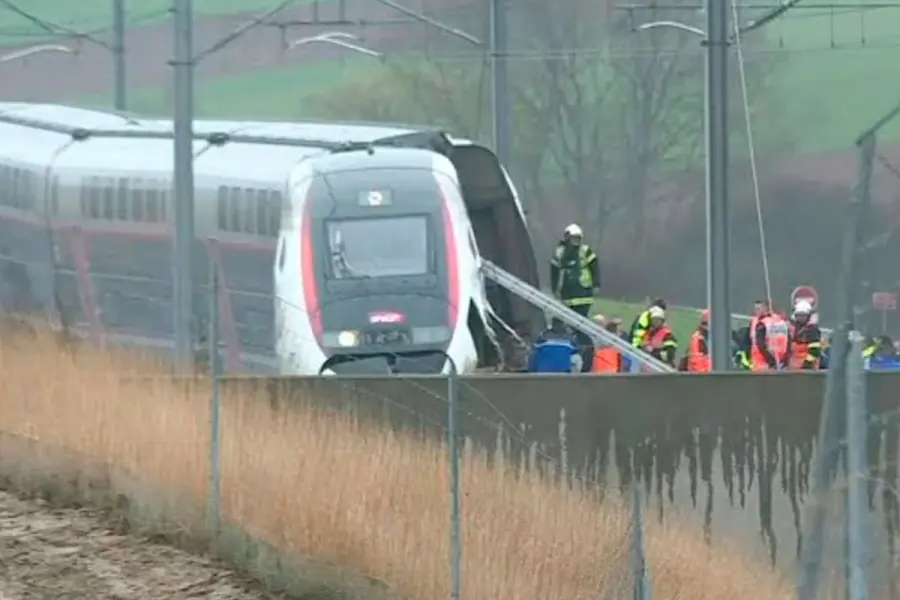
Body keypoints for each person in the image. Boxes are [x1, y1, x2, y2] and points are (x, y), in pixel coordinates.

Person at [550, 224, 599, 373]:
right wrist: (554, 288)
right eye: (573, 239)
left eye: (578, 239)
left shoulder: (585, 251)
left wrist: (596, 284)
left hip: (583, 295)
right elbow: (554, 271)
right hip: (567, 295)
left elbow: (595, 267)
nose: (576, 242)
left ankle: (586, 353)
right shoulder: (560, 252)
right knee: (570, 327)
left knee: (580, 327)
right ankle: (576, 353)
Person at [749, 300, 790, 371]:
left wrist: (772, 362)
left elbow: (760, 344)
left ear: (766, 308)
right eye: (755, 309)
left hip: (764, 362)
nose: (756, 311)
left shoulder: (762, 323)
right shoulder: (780, 321)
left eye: (758, 309)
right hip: (781, 361)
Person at [788, 299, 822, 370]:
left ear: (808, 316)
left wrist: (806, 365)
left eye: (803, 315)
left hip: (808, 369)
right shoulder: (795, 329)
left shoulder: (812, 330)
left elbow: (814, 351)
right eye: (799, 315)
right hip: (794, 369)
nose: (801, 318)